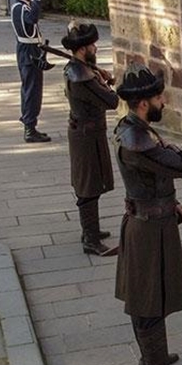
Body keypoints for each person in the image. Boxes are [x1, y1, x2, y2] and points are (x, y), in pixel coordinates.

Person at [113, 65, 182, 365]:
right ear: (144, 103)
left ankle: (151, 358)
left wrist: (172, 206)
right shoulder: (138, 140)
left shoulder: (134, 129)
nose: (165, 102)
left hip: (152, 219)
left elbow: (153, 179)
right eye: (160, 97)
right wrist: (171, 148)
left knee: (149, 294)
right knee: (148, 297)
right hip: (148, 230)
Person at [62, 21, 118, 256]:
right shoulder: (81, 76)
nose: (96, 48)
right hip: (86, 134)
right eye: (92, 45)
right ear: (83, 49)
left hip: (89, 132)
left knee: (93, 182)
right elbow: (111, 101)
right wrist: (104, 83)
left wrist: (100, 76)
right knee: (88, 185)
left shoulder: (81, 69)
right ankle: (90, 238)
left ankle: (91, 230)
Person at [11, 0, 53, 143]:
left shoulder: (21, 7)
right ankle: (29, 128)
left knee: (33, 89)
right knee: (31, 91)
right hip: (28, 52)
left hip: (31, 49)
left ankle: (31, 125)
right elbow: (32, 19)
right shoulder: (20, 8)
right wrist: (36, 2)